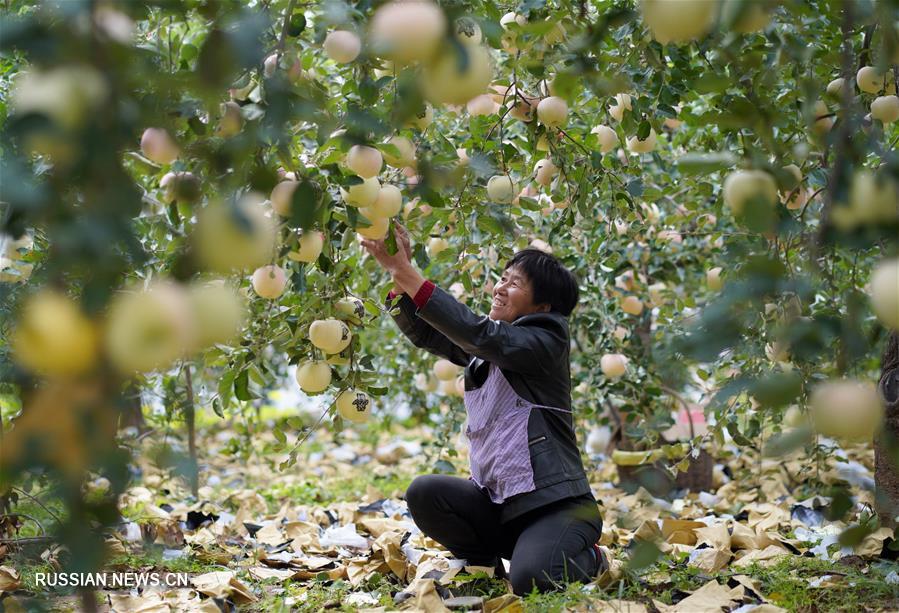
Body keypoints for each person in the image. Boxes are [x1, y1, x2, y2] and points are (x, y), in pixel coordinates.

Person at [361, 225, 606, 596]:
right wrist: (399, 275)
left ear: (542, 306)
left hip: (557, 508)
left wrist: (406, 272)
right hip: (503, 508)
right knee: (426, 492)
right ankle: (483, 563)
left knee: (533, 581)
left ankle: (591, 558)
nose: (500, 288)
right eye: (502, 278)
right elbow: (432, 334)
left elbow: (481, 335)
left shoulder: (545, 342)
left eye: (515, 284)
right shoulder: (490, 351)